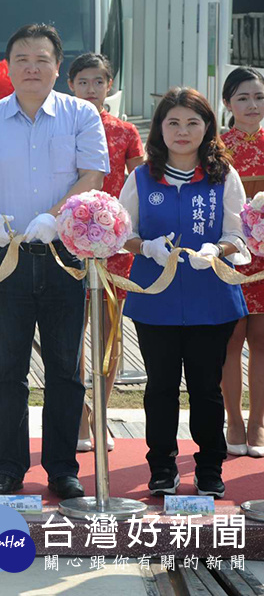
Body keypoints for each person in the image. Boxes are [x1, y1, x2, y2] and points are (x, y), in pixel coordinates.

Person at [0, 23, 109, 500]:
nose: (32, 67)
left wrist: (55, 217)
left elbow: (93, 175)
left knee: (65, 365)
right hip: (8, 252)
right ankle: (8, 468)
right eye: (22, 58)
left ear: (58, 67)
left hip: (64, 253)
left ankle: (62, 468)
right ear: (9, 66)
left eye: (42, 59)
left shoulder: (81, 114)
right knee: (7, 367)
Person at [120, 87, 248, 498]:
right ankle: (161, 467)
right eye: (172, 122)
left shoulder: (223, 175)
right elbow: (123, 232)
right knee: (159, 386)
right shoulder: (140, 176)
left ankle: (210, 468)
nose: (182, 131)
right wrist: (147, 248)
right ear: (159, 128)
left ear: (208, 127)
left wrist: (217, 249)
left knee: (206, 388)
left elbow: (237, 233)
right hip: (154, 297)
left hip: (210, 299)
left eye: (193, 122)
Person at [68, 52, 146, 454]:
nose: (91, 89)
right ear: (71, 85)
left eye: (99, 81)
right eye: (83, 81)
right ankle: (78, 415)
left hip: (115, 243)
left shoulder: (125, 131)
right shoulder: (61, 126)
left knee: (109, 335)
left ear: (109, 86)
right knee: (71, 332)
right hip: (68, 243)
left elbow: (144, 180)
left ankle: (101, 411)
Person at [220, 66, 264, 457]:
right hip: (230, 256)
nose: (252, 105)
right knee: (231, 341)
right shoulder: (215, 146)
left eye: (259, 97)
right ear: (227, 103)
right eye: (243, 98)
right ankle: (233, 419)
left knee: (262, 342)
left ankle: (258, 423)